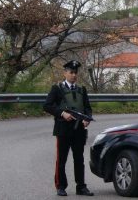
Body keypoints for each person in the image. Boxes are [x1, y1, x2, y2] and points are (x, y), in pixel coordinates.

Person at [43, 60, 94, 197]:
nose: (74, 75)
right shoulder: (57, 89)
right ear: (65, 73)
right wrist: (61, 113)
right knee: (62, 159)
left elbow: (88, 108)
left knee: (79, 159)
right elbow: (47, 105)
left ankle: (81, 187)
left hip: (79, 130)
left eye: (75, 72)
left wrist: (87, 119)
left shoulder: (82, 90)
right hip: (63, 129)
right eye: (71, 72)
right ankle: (60, 186)